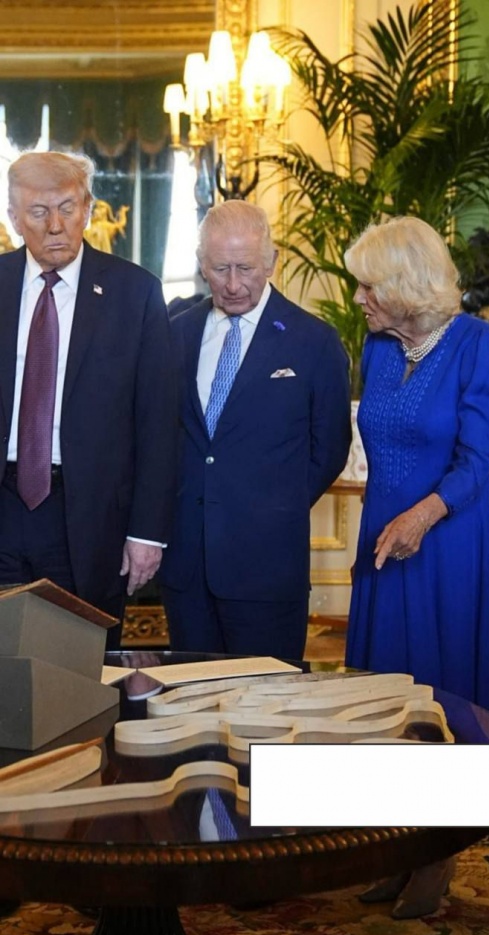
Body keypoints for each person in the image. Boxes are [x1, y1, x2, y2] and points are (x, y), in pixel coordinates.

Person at [345, 216, 489, 918]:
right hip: (384, 542)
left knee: (444, 694)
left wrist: (422, 517)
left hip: (447, 540)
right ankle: (395, 843)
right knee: (385, 694)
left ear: (407, 285)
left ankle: (438, 850)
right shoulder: (378, 348)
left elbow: (477, 459)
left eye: (368, 286)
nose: (358, 298)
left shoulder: (481, 345)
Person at [160, 200, 351, 660]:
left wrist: (271, 505)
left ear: (271, 261)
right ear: (201, 264)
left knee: (266, 694)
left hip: (267, 565)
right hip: (186, 566)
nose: (232, 284)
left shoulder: (314, 341)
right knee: (191, 694)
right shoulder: (174, 334)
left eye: (244, 268)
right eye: (219, 269)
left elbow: (329, 448)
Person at [0, 151, 177, 648]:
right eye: (39, 212)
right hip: (5, 504)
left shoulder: (135, 293)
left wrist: (147, 533)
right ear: (13, 217)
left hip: (90, 516)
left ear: (89, 209)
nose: (55, 225)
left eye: (67, 208)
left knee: (80, 664)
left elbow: (158, 422)